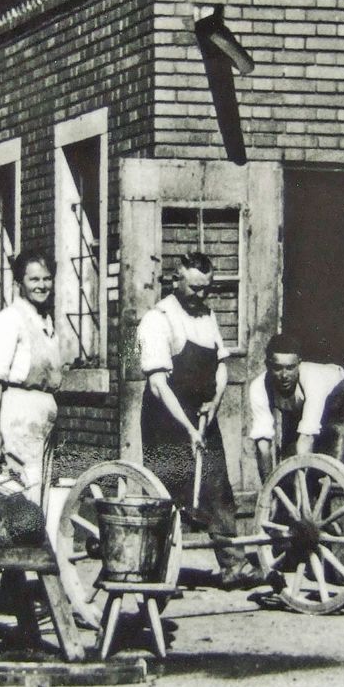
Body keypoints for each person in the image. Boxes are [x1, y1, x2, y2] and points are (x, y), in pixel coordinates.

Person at [137, 251, 263, 591]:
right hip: (166, 418)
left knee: (218, 487)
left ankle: (234, 565)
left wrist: (215, 402)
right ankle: (158, 573)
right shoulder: (158, 319)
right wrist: (188, 428)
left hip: (203, 414)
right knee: (167, 493)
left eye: (206, 288)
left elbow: (221, 365)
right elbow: (158, 385)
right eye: (194, 288)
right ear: (176, 279)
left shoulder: (207, 316)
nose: (201, 295)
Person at [0, 251, 63, 507]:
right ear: (19, 283)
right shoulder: (9, 320)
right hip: (14, 422)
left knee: (36, 498)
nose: (42, 285)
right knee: (9, 496)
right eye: (34, 279)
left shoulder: (45, 324)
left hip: (39, 427)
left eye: (47, 279)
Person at [247, 333, 344, 482]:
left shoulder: (313, 380)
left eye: (290, 368)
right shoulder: (258, 387)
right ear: (267, 365)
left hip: (338, 409)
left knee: (334, 472)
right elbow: (263, 442)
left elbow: (306, 437)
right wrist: (268, 486)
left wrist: (301, 486)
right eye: (278, 368)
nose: (284, 375)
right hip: (299, 411)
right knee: (288, 467)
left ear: (299, 364)